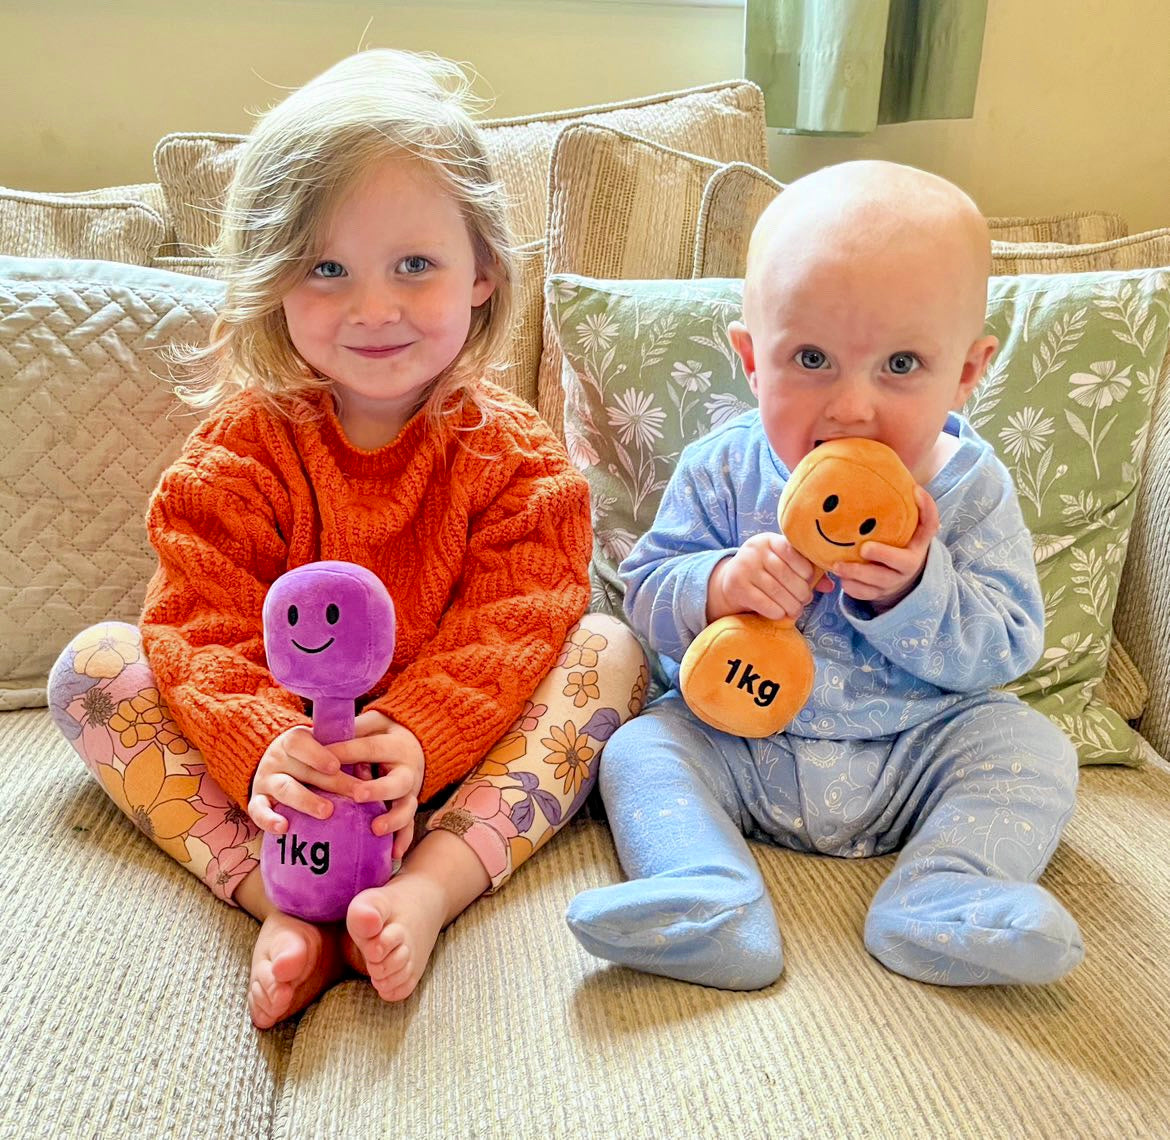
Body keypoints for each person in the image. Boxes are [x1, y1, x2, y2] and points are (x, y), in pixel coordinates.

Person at [48, 49, 646, 1028]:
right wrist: (267, 744)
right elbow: (198, 627)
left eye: (415, 264)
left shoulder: (517, 461)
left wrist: (413, 734)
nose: (374, 308)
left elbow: (518, 620)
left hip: (448, 763)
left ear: (484, 273)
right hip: (281, 789)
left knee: (607, 651)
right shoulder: (238, 454)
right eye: (327, 268)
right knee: (92, 668)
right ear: (273, 283)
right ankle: (280, 905)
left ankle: (430, 889)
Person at [565, 160, 1084, 989]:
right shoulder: (722, 470)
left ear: (967, 372)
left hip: (917, 749)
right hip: (742, 746)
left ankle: (945, 891)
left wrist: (918, 590)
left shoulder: (971, 487)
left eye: (902, 365)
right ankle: (710, 897)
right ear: (749, 359)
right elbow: (645, 596)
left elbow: (1008, 645)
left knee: (1032, 748)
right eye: (810, 357)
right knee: (639, 749)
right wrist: (720, 582)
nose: (850, 406)